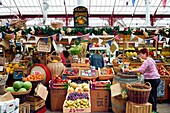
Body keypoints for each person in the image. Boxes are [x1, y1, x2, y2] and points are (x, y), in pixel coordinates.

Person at [124, 48, 160, 113]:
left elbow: (141, 70)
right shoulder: (151, 59)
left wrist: (129, 70)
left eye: (141, 54)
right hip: (156, 78)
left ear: (145, 54)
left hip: (152, 79)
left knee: (151, 95)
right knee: (154, 94)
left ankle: (153, 110)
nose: (140, 56)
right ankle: (153, 109)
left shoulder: (147, 61)